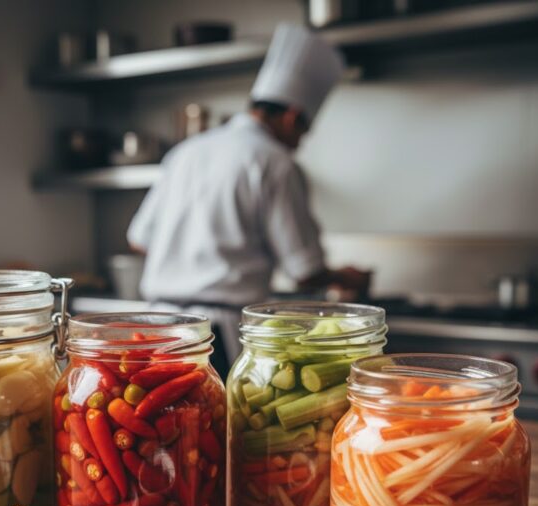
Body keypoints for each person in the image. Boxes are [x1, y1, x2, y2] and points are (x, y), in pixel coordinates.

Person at [127, 23, 371, 312]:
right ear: (292, 118)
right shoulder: (275, 162)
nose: (299, 143)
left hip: (159, 324)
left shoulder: (185, 152)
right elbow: (306, 272)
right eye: (303, 132)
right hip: (217, 331)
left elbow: (139, 240)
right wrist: (345, 277)